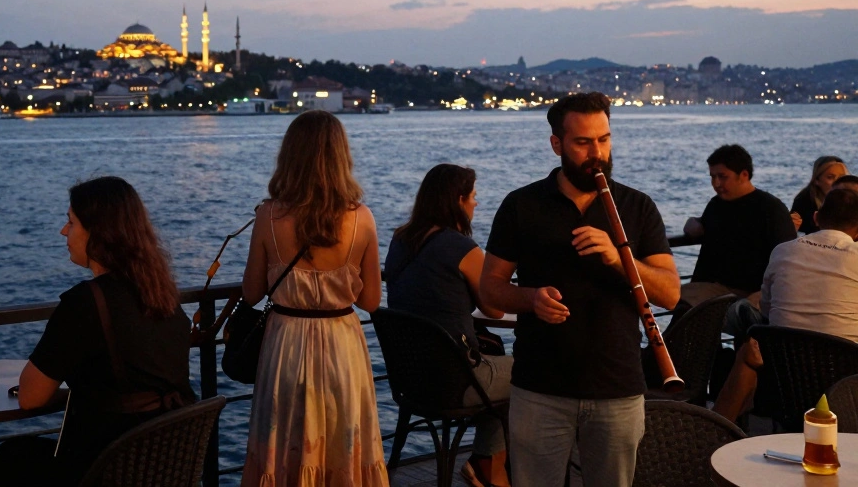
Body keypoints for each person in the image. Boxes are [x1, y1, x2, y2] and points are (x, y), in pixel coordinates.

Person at [479, 92, 680, 487]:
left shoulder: (636, 207)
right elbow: (490, 290)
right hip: (540, 388)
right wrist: (531, 300)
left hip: (617, 387)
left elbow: (670, 293)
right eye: (583, 142)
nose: (597, 153)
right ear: (557, 144)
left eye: (604, 139)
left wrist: (618, 257)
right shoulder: (522, 205)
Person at [0, 176, 195, 486]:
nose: (63, 231)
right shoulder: (163, 297)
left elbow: (30, 397)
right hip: (162, 465)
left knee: (10, 457)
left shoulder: (85, 303)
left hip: (108, 468)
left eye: (71, 223)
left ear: (97, 233)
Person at [240, 110, 388, 487]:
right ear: (341, 156)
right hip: (341, 345)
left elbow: (252, 293)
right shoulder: (362, 219)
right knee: (342, 442)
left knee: (284, 442)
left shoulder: (269, 216)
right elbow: (371, 301)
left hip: (285, 344)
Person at [386, 164, 510, 487]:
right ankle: (488, 464)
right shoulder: (461, 248)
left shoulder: (399, 241)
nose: (476, 204)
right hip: (456, 382)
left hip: (411, 381)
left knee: (497, 361)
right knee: (529, 372)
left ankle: (487, 461)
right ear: (458, 201)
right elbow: (495, 309)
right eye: (473, 197)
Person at [713, 188, 858, 422]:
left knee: (747, 338)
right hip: (847, 386)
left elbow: (768, 310)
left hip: (787, 382)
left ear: (817, 218)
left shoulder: (784, 251)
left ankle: (716, 432)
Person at [679, 145, 796, 331]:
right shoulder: (716, 206)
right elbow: (700, 223)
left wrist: (765, 292)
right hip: (719, 287)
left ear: (743, 175)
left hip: (758, 290)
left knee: (745, 314)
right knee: (678, 300)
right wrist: (691, 223)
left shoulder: (770, 209)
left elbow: (789, 257)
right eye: (712, 176)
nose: (716, 183)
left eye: (722, 176)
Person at [790, 156, 848, 233]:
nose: (837, 181)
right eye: (830, 177)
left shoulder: (851, 198)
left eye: (842, 177)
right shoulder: (804, 200)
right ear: (817, 180)